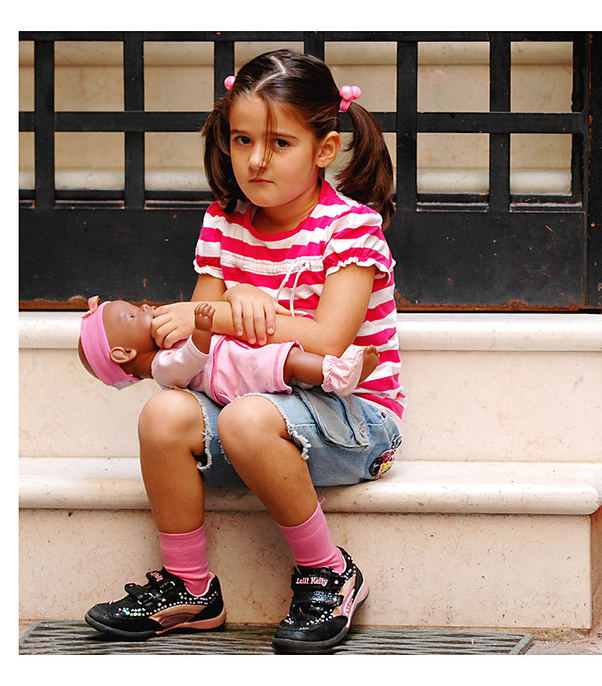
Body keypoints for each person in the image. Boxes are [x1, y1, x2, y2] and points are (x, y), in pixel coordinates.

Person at [83, 49, 404, 653]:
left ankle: (329, 571)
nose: (255, 160)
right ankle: (190, 586)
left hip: (356, 421)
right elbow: (200, 342)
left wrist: (236, 307)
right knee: (165, 412)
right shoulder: (223, 222)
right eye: (242, 139)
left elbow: (330, 339)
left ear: (325, 150)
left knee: (248, 415)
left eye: (280, 143)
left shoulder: (351, 228)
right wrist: (192, 324)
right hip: (248, 419)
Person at [78, 296, 381, 402]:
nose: (145, 306)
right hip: (237, 375)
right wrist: (201, 328)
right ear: (124, 354)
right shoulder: (163, 369)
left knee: (290, 357)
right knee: (288, 362)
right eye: (133, 315)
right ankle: (338, 375)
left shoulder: (164, 347)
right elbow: (190, 360)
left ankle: (337, 372)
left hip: (240, 360)